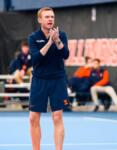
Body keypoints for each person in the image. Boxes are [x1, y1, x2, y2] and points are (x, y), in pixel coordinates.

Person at [28, 7, 70, 150]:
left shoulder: (62, 35)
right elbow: (35, 59)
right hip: (39, 81)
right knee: (33, 118)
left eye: (52, 17)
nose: (50, 19)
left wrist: (57, 40)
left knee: (57, 116)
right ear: (40, 20)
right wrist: (49, 42)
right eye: (47, 17)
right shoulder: (33, 38)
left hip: (57, 80)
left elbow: (65, 55)